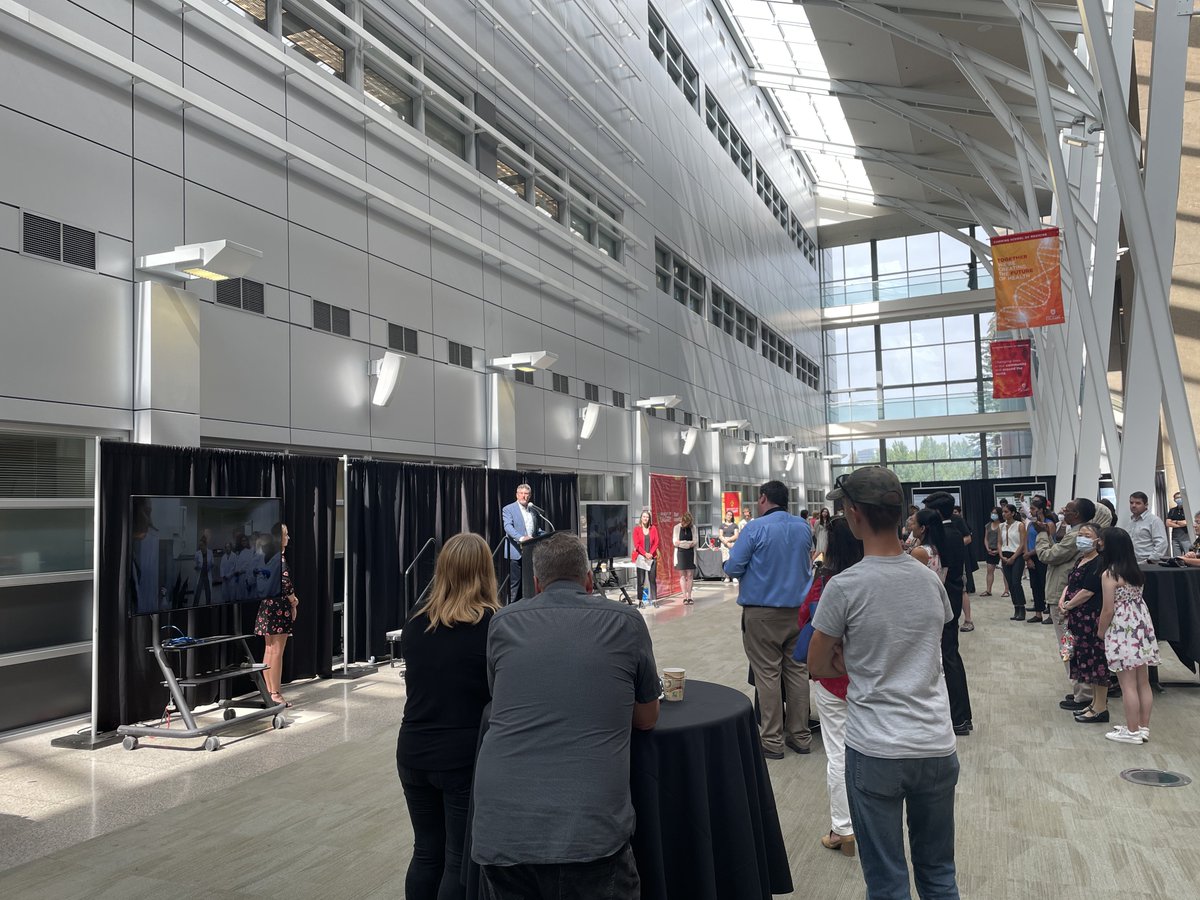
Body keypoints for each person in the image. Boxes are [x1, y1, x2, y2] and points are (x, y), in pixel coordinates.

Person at [471, 533, 659, 898]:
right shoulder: (626, 621)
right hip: (590, 833)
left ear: (537, 584)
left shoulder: (503, 623)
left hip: (501, 830)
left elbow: (501, 697)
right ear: (589, 580)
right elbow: (647, 717)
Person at [809, 467, 960, 899]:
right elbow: (931, 645)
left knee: (888, 880)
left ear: (854, 514)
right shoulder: (928, 579)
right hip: (935, 741)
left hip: (875, 747)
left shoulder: (845, 586)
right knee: (939, 873)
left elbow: (818, 664)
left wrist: (855, 658)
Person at [397, 533, 498, 900]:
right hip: (461, 755)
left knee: (425, 853)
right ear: (485, 571)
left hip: (413, 750)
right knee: (457, 859)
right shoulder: (493, 627)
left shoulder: (415, 625)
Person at [724, 479, 814, 759]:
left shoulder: (755, 528)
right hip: (798, 613)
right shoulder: (803, 527)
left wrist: (729, 565)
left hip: (762, 614)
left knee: (768, 674)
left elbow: (735, 566)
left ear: (763, 499)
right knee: (797, 672)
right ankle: (800, 735)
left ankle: (772, 740)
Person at [796, 517, 863, 857]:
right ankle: (871, 825)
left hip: (833, 680)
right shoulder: (872, 579)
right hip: (871, 678)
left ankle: (843, 829)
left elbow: (804, 622)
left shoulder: (825, 581)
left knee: (837, 752)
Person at [1096, 527, 1161, 744]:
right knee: (1143, 682)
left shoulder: (1110, 574)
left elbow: (1108, 609)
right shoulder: (1135, 571)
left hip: (1122, 629)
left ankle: (1131, 731)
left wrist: (1100, 631)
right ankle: (1143, 727)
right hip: (1141, 626)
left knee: (1127, 684)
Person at [1034, 498, 1097, 711]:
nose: (1063, 511)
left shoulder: (1075, 536)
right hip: (1065, 594)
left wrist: (1042, 534)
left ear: (1077, 515)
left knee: (1068, 646)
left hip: (1064, 597)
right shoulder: (1073, 534)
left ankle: (1084, 694)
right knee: (1069, 645)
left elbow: (1047, 555)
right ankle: (1081, 690)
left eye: (1067, 510)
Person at [922, 492, 974, 736]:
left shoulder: (945, 536)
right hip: (949, 596)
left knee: (949, 656)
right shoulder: (951, 534)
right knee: (949, 655)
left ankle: (959, 716)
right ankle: (959, 716)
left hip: (945, 600)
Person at [1059, 523, 1109, 724]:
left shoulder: (1099, 562)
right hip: (1076, 618)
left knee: (1096, 662)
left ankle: (1100, 707)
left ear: (1098, 540)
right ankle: (1094, 703)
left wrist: (1069, 605)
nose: (1082, 538)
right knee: (1083, 661)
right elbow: (1071, 584)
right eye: (1080, 534)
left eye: (1087, 535)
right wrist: (1063, 602)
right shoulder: (1081, 558)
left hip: (1090, 618)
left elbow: (1088, 591)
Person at [254, 522, 298, 709]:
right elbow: (285, 583)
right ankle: (275, 693)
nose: (288, 538)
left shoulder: (267, 558)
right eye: (286, 535)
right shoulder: (280, 560)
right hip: (279, 608)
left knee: (269, 650)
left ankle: (270, 691)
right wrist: (294, 601)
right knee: (277, 652)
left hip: (266, 607)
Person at [501, 484, 542, 603]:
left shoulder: (533, 510)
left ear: (530, 496)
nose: (524, 496)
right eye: (521, 493)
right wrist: (522, 538)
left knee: (531, 582)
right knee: (516, 584)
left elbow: (535, 530)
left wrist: (548, 534)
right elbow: (508, 527)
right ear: (517, 495)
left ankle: (530, 606)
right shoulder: (508, 509)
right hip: (516, 551)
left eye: (526, 494)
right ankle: (512, 608)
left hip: (531, 552)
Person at [1023, 496, 1053, 624]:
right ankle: (1038, 613)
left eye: (1033, 508)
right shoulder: (1030, 524)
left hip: (1044, 556)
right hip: (1031, 556)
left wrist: (1029, 553)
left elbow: (1049, 542)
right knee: (1035, 585)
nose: (1030, 511)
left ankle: (1051, 614)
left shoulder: (1049, 523)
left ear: (1040, 509)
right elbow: (1026, 540)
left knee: (1046, 585)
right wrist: (1027, 556)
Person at [999, 504, 1027, 620]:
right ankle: (1016, 607)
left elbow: (1022, 543)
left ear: (1013, 513)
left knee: (1016, 582)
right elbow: (999, 543)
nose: (1004, 514)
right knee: (1010, 583)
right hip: (1005, 555)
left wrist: (1013, 557)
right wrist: (1001, 555)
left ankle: (1022, 608)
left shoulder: (1020, 525)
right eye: (1003, 512)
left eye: (1006, 512)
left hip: (1017, 555)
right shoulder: (1001, 526)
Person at [1125, 492, 1168, 563]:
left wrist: (1150, 561)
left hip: (1148, 564)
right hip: (1132, 563)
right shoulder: (1131, 522)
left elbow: (1161, 544)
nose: (1133, 505)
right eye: (1131, 503)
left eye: (1138, 503)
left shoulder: (1154, 521)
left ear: (1146, 505)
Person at [632, 509, 659, 606]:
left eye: (647, 517)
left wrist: (650, 553)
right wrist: (645, 554)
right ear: (641, 518)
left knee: (652, 580)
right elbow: (637, 544)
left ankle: (654, 600)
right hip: (641, 558)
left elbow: (656, 542)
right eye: (644, 517)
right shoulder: (636, 529)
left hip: (652, 558)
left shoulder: (653, 528)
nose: (645, 518)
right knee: (641, 581)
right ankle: (640, 601)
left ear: (649, 518)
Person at [672, 511, 697, 604]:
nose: (684, 524)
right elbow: (675, 542)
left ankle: (689, 596)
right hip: (680, 553)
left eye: (687, 523)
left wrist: (682, 543)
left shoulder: (693, 528)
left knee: (690, 575)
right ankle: (684, 597)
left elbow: (695, 541)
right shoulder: (676, 528)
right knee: (682, 575)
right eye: (684, 522)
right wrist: (687, 543)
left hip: (690, 553)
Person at [980, 507, 1002, 597]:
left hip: (1001, 550)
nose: (993, 515)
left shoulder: (1002, 525)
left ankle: (1007, 590)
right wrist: (987, 548)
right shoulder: (988, 525)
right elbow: (986, 538)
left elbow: (1003, 539)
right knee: (989, 571)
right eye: (992, 513)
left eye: (995, 513)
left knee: (1004, 571)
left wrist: (998, 550)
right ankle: (988, 590)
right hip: (990, 550)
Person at [192, 533, 213, 607]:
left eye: (202, 545)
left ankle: (208, 605)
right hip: (200, 575)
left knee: (208, 591)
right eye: (199, 545)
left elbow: (212, 563)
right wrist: (197, 566)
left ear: (205, 545)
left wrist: (209, 566)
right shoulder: (197, 553)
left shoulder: (210, 552)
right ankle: (195, 606)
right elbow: (194, 565)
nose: (200, 547)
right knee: (198, 591)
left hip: (207, 575)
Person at [718, 509, 739, 583]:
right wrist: (726, 542)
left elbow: (736, 535)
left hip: (733, 544)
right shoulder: (722, 525)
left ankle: (734, 576)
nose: (729, 516)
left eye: (731, 515)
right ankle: (727, 577)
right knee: (725, 560)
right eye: (728, 515)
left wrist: (729, 540)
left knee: (733, 560)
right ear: (725, 516)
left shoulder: (735, 525)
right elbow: (720, 536)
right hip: (724, 544)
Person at [1166, 491, 1189, 558]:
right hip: (1175, 539)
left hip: (1186, 538)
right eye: (1177, 498)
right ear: (1174, 500)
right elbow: (1168, 523)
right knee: (1177, 558)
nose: (1178, 499)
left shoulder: (1187, 509)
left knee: (1189, 556)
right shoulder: (1172, 510)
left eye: (1180, 497)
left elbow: (1187, 522)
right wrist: (1180, 523)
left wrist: (1174, 522)